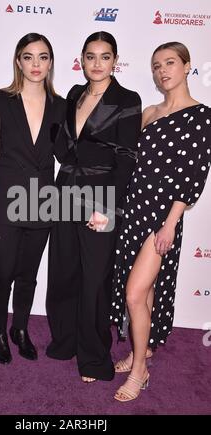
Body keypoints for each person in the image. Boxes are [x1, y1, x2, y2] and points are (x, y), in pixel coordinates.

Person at [111, 42, 211, 402]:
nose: (162, 70)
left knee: (134, 293)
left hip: (162, 217)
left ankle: (140, 371)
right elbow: (128, 161)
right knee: (146, 291)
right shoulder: (149, 112)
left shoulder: (202, 116)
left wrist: (170, 224)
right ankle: (142, 351)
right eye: (156, 65)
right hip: (133, 208)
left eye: (170, 63)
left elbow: (193, 174)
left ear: (187, 66)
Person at [46, 31, 142, 382]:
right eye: (90, 56)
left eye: (104, 56)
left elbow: (127, 158)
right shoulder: (74, 94)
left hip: (100, 198)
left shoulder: (128, 99)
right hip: (65, 192)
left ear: (115, 60)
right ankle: (66, 340)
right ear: (82, 59)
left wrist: (106, 207)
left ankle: (93, 357)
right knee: (64, 269)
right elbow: (62, 148)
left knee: (95, 279)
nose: (97, 63)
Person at [0, 33, 66, 363]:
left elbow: (67, 152)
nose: (36, 64)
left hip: (43, 199)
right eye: (29, 57)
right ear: (18, 61)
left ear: (50, 62)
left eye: (43, 57)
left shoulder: (62, 105)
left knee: (28, 273)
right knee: (3, 269)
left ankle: (20, 328)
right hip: (7, 197)